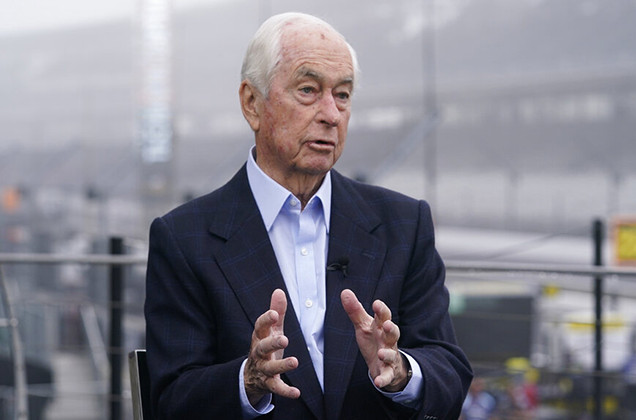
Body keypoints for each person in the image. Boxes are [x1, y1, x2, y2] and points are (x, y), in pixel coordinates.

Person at [144, 12, 473, 420]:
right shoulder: (183, 239)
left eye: (343, 95)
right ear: (252, 104)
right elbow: (171, 400)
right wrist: (249, 380)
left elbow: (450, 372)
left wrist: (404, 371)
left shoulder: (404, 224)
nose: (331, 114)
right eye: (308, 90)